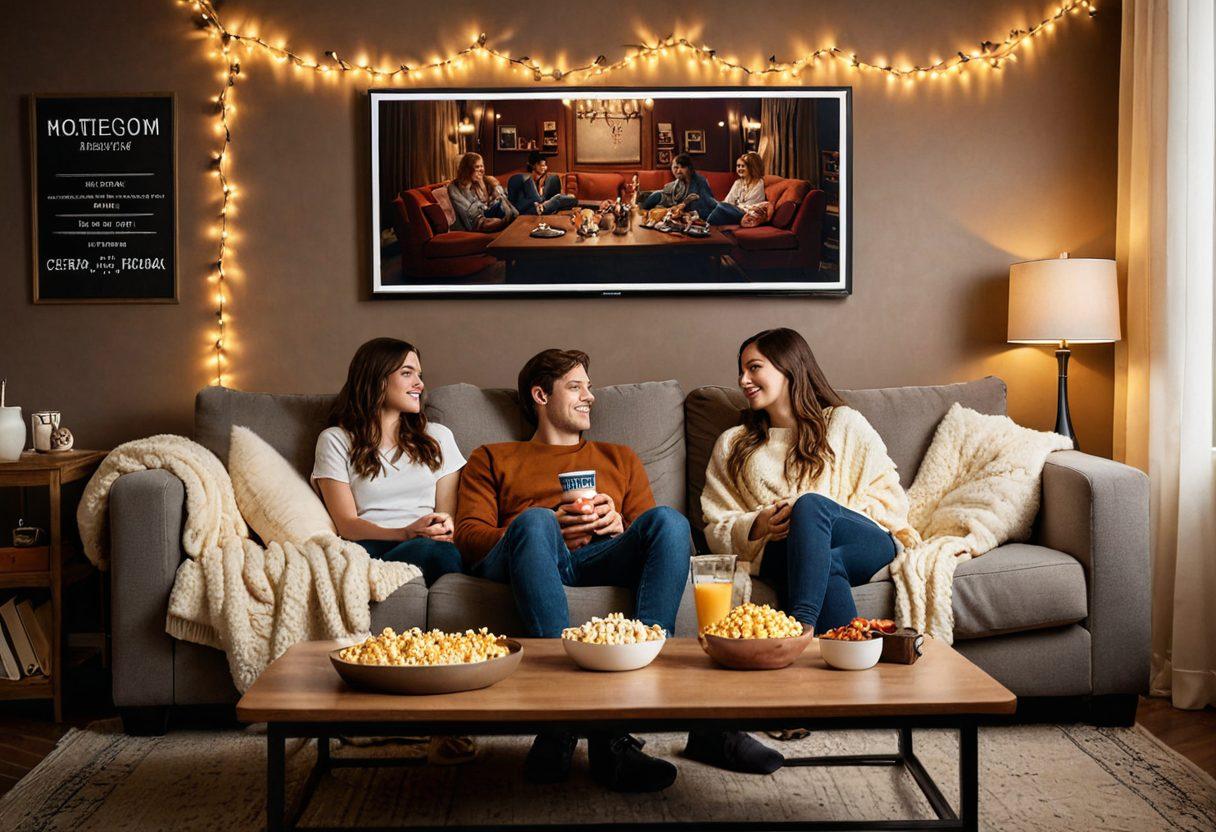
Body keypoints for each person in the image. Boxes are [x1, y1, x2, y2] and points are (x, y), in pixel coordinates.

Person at [455, 349, 781, 791]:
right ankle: (559, 721)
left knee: (669, 520)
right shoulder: (493, 456)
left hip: (597, 558)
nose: (590, 396)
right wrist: (546, 521)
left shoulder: (619, 457)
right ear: (539, 395)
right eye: (576, 387)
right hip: (526, 554)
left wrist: (618, 525)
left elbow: (660, 540)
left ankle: (633, 727)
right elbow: (469, 538)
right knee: (535, 522)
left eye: (589, 386)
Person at [700, 328, 920, 636]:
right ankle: (839, 650)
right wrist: (758, 524)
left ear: (787, 367)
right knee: (823, 562)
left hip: (860, 540)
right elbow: (714, 525)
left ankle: (801, 626)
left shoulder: (843, 423)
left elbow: (890, 498)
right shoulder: (733, 444)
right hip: (784, 552)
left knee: (810, 506)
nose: (743, 380)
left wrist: (818, 516)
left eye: (754, 367)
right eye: (741, 371)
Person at [312, 337, 465, 587]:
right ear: (377, 380)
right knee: (437, 553)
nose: (420, 384)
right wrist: (404, 534)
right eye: (407, 373)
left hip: (429, 545)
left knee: (443, 551)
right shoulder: (335, 440)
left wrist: (441, 528)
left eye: (419, 374)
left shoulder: (438, 437)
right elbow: (346, 524)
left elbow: (447, 516)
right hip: (371, 548)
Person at [448, 152, 518, 232]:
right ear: (467, 169)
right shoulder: (454, 187)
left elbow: (490, 202)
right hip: (477, 222)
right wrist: (467, 185)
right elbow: (469, 213)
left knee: (511, 206)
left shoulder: (479, 181)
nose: (481, 170)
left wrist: (486, 185)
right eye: (477, 167)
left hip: (490, 212)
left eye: (482, 166)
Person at [639, 153, 719, 216]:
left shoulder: (700, 181)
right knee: (656, 195)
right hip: (672, 202)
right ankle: (640, 211)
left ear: (690, 168)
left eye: (683, 167)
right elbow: (670, 195)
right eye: (676, 167)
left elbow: (709, 202)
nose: (678, 171)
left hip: (688, 210)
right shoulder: (679, 181)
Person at [507, 151, 577, 216]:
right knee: (559, 199)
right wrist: (541, 200)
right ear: (533, 165)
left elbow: (537, 199)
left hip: (537, 207)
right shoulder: (524, 178)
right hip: (530, 210)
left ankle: (557, 205)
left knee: (570, 200)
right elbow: (536, 199)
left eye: (544, 165)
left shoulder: (541, 179)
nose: (544, 168)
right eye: (541, 165)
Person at [707, 152, 767, 226]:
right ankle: (707, 222)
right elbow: (728, 201)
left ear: (751, 168)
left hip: (747, 214)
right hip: (735, 211)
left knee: (720, 207)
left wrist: (732, 206)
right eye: (738, 166)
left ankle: (706, 223)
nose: (740, 169)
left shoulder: (759, 183)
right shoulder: (738, 183)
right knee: (713, 204)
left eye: (743, 166)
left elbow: (751, 206)